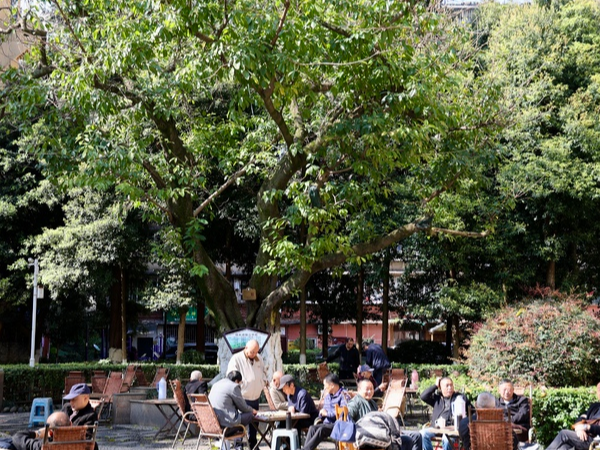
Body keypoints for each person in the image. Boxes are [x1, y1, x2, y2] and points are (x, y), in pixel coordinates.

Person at [348, 379, 422, 450]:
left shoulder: (372, 402)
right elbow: (347, 417)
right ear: (359, 390)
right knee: (407, 440)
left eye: (371, 389)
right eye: (367, 389)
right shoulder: (355, 402)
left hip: (383, 431)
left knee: (416, 436)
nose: (370, 391)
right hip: (370, 437)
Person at [227, 339, 266, 450]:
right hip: (242, 397)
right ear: (246, 348)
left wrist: (263, 382)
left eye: (256, 352)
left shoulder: (259, 358)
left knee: (255, 424)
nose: (254, 354)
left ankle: (253, 444)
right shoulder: (236, 358)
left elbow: (263, 372)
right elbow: (231, 376)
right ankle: (238, 446)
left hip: (255, 396)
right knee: (240, 422)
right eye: (252, 352)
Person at [543, 381, 600, 450]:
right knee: (564, 447)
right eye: (598, 390)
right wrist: (579, 429)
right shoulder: (595, 406)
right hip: (586, 436)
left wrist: (586, 427)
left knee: (564, 434)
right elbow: (582, 417)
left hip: (596, 440)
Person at [420, 376, 471, 450]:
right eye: (447, 386)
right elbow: (423, 396)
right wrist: (435, 386)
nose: (450, 388)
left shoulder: (460, 398)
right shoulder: (437, 399)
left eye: (451, 385)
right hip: (437, 428)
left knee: (446, 439)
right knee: (423, 434)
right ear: (441, 387)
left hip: (452, 430)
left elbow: (471, 411)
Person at [302, 373, 350, 450]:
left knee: (321, 430)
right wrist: (321, 413)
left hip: (338, 424)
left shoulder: (344, 395)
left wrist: (327, 413)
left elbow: (343, 412)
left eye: (325, 385)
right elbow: (323, 412)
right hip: (327, 423)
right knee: (312, 428)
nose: (324, 388)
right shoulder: (328, 397)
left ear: (332, 385)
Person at [61, 382, 99, 449]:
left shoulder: (90, 415)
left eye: (74, 399)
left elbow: (86, 438)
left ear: (85, 398)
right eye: (70, 399)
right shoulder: (66, 407)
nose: (71, 402)